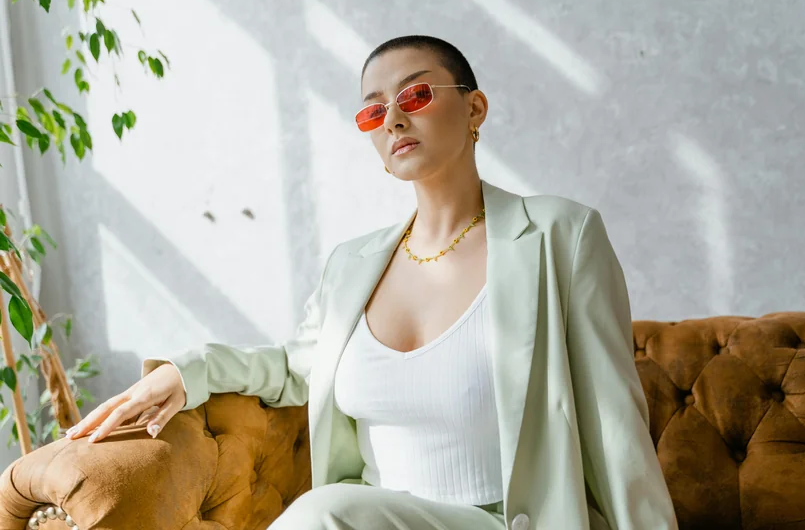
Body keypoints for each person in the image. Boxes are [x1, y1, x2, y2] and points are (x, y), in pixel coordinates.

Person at [66, 35, 678, 530]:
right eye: (372, 109)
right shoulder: (352, 265)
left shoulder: (558, 236)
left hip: (505, 522)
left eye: (414, 95)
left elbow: (614, 424)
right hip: (377, 520)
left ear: (474, 108)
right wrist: (186, 371)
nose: (391, 119)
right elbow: (295, 366)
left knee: (324, 513)